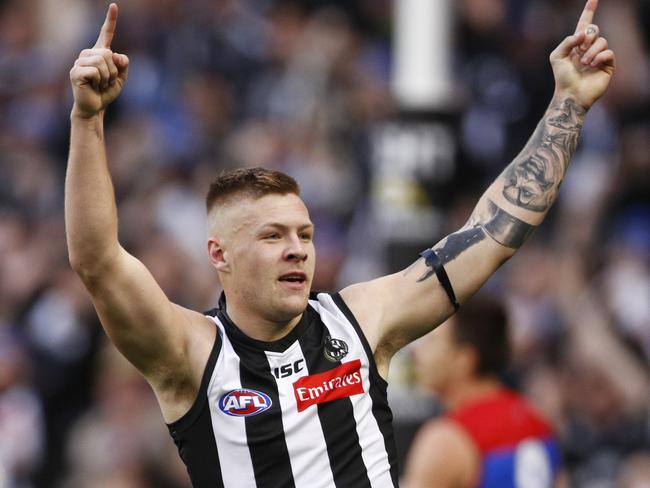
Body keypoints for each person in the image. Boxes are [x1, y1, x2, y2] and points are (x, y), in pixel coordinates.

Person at [65, 1, 615, 486]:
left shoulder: (358, 321)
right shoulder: (193, 353)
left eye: (304, 234)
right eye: (273, 236)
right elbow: (97, 261)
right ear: (219, 255)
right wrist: (87, 119)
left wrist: (569, 102)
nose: (298, 249)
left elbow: (491, 235)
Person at [403, 296, 561, 488]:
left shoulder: (444, 441)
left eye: (430, 341)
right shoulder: (538, 418)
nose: (416, 353)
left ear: (464, 360)